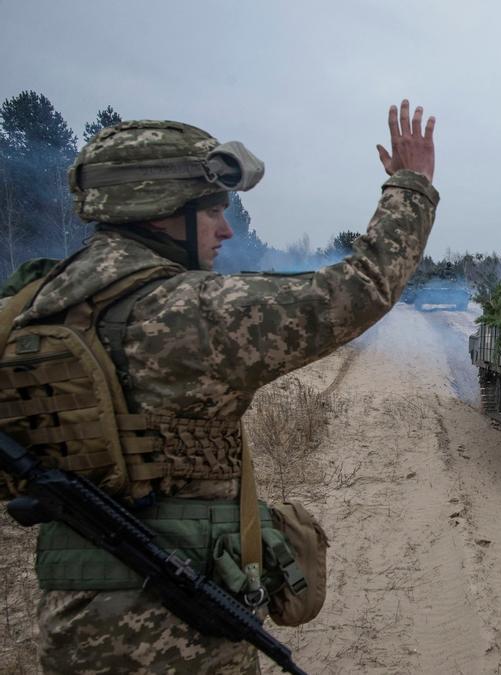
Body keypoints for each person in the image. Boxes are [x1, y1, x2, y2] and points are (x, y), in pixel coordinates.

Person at [12, 99, 438, 673]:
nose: (226, 228)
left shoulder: (33, 306)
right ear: (161, 212)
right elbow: (360, 287)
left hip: (73, 620)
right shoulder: (184, 312)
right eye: (213, 210)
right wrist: (410, 187)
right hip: (176, 629)